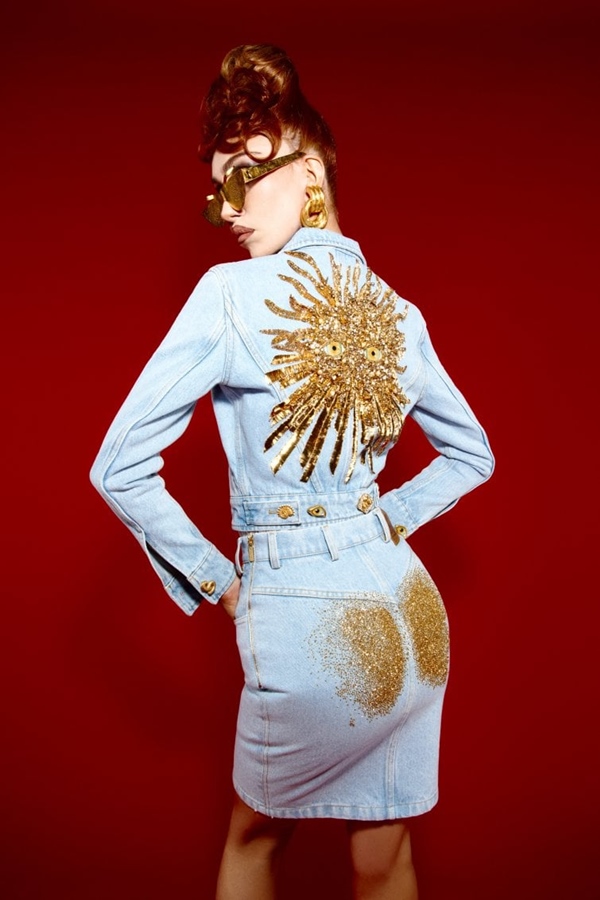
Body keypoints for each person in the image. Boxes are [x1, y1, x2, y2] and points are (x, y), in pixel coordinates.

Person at [90, 43, 494, 900]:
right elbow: (473, 453)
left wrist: (226, 585)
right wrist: (381, 522)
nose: (225, 208)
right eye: (214, 188)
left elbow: (117, 466)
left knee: (253, 843)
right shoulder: (401, 311)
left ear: (308, 171)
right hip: (415, 614)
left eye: (241, 175)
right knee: (386, 852)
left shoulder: (231, 295)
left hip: (309, 622)